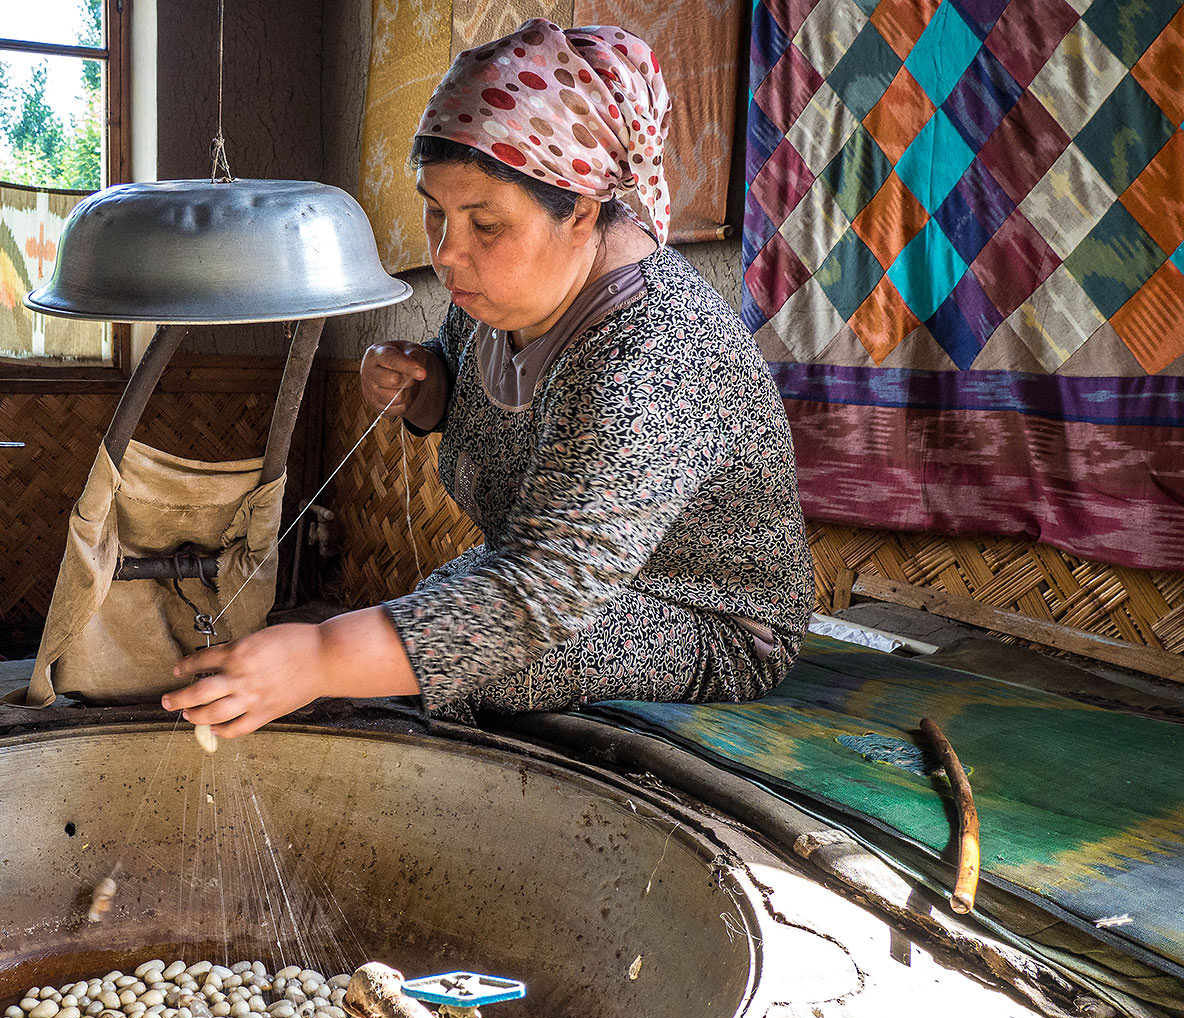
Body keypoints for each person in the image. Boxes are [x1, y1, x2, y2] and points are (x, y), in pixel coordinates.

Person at [162, 17, 812, 736]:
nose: (446, 254)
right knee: (445, 616)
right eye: (435, 213)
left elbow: (542, 595)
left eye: (485, 224)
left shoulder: (654, 354)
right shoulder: (502, 295)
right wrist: (421, 381)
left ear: (582, 211)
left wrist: (318, 654)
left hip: (705, 621)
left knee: (494, 653)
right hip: (577, 587)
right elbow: (461, 383)